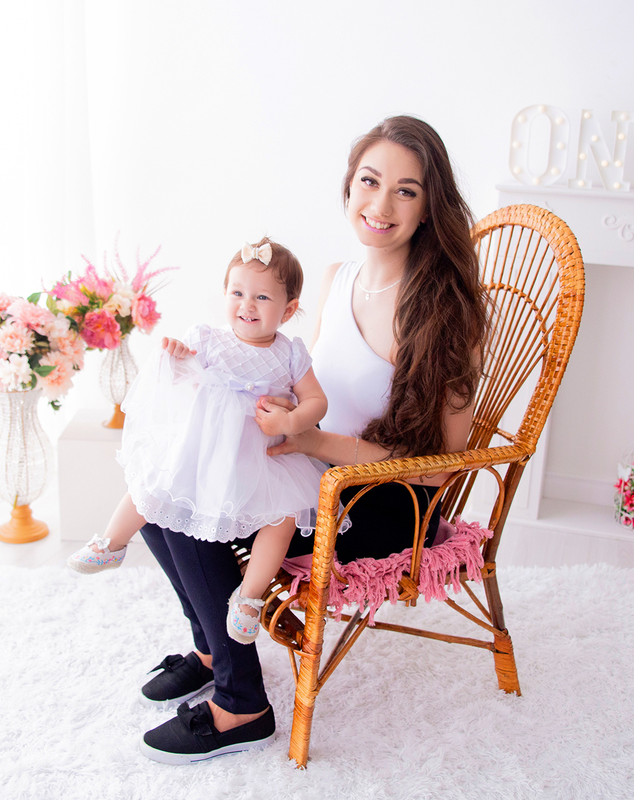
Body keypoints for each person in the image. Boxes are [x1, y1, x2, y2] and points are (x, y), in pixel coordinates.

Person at [136, 115, 487, 765]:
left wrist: (312, 442)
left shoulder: (445, 312)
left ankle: (240, 703)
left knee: (193, 521)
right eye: (369, 181)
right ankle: (215, 648)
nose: (380, 205)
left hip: (382, 501)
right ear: (349, 186)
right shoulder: (339, 276)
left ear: (429, 205)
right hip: (311, 464)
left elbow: (438, 469)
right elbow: (305, 379)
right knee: (161, 493)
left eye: (406, 191)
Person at [66, 238, 330, 648]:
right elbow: (180, 384)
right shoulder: (207, 340)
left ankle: (248, 597)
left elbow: (317, 401)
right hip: (205, 455)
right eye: (238, 293)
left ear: (289, 309)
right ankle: (112, 543)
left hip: (263, 461)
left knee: (282, 520)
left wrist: (294, 418)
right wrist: (173, 356)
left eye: (262, 297)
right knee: (152, 484)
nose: (248, 304)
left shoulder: (290, 354)